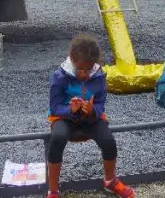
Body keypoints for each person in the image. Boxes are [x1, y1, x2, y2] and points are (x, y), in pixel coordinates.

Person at [46, 35, 134, 198]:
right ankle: (53, 191)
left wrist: (92, 110)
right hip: (64, 117)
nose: (85, 74)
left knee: (108, 141)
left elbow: (101, 103)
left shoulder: (99, 75)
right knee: (57, 138)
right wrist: (71, 110)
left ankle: (110, 181)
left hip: (90, 117)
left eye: (89, 69)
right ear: (72, 60)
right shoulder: (59, 76)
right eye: (81, 69)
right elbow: (54, 107)